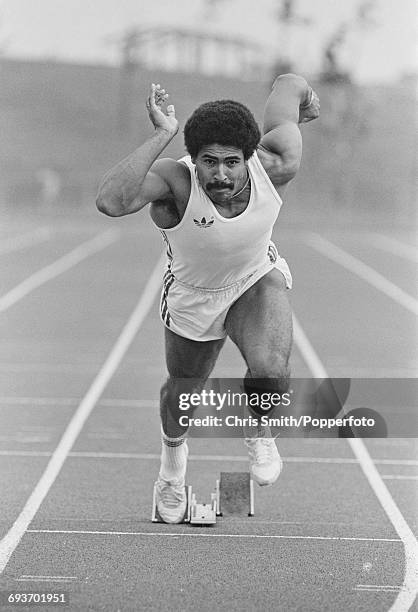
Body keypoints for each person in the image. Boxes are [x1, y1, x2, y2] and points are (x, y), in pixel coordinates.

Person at [96, 74, 320, 524]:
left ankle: (259, 431)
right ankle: (171, 472)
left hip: (254, 279)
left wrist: (307, 99)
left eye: (232, 162)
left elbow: (288, 85)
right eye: (209, 162)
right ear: (193, 160)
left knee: (272, 369)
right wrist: (163, 134)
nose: (220, 175)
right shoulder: (176, 181)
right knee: (183, 392)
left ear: (250, 157)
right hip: (194, 296)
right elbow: (111, 202)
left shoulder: (278, 163)